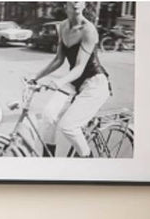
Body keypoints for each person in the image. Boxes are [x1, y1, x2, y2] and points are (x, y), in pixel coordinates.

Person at [30, 1, 111, 157]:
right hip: (75, 83)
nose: (75, 2)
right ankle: (48, 161)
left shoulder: (88, 29)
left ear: (84, 4)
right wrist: (36, 76)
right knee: (48, 116)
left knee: (68, 126)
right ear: (65, 4)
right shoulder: (62, 26)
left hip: (94, 83)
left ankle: (88, 162)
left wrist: (58, 82)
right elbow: (58, 59)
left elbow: (80, 67)